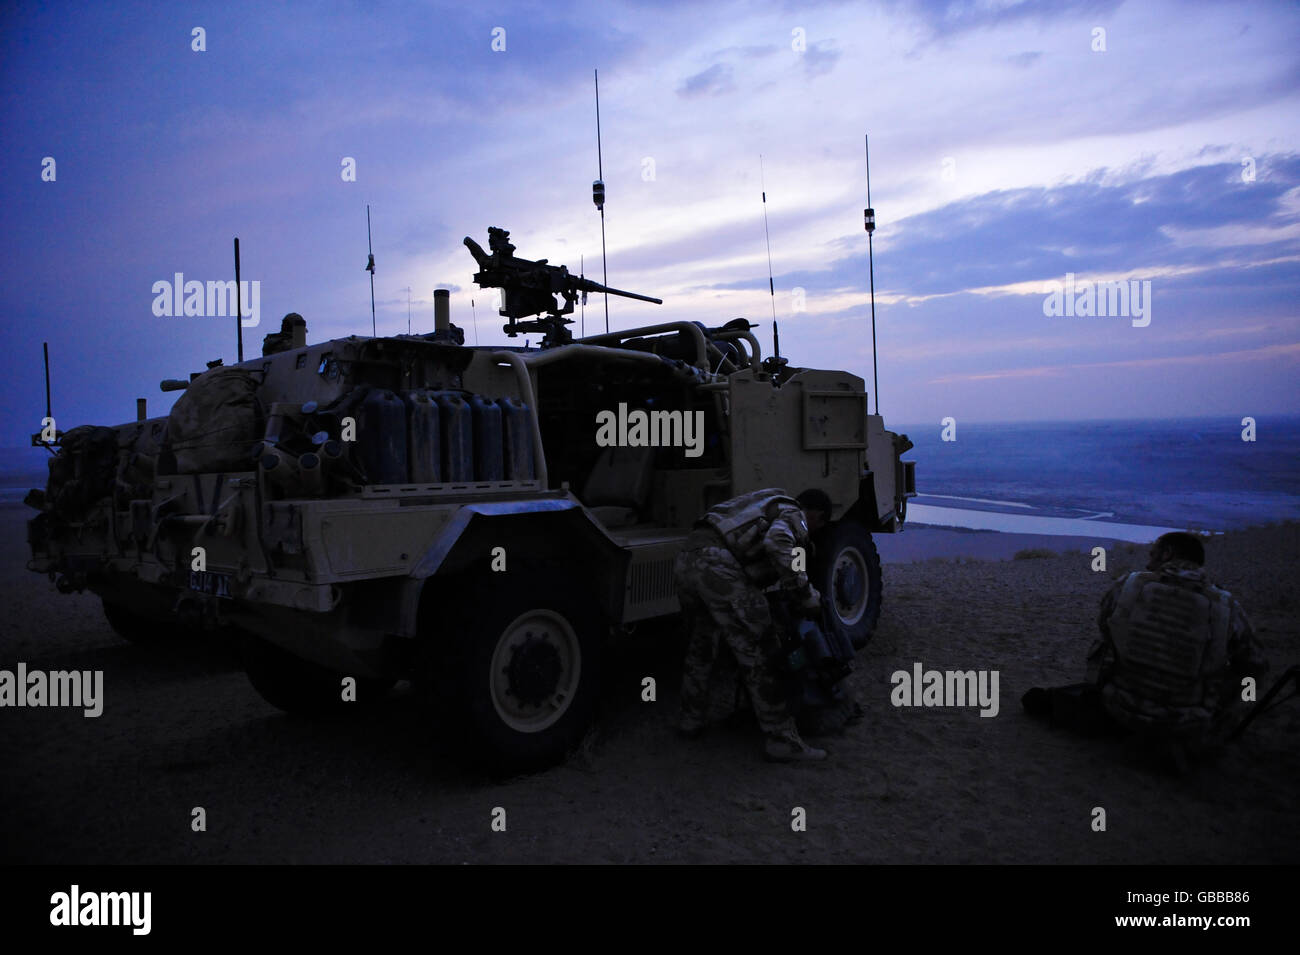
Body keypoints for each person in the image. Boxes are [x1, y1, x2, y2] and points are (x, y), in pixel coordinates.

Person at [1023, 531, 1267, 766]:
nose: (1148, 563)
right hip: (1187, 720)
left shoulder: (1128, 585)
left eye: (1152, 554)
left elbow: (1105, 628)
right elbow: (1255, 663)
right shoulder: (1227, 605)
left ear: (1167, 553)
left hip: (1119, 706)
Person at [675, 487, 831, 762]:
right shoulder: (794, 513)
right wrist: (806, 595)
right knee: (762, 652)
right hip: (717, 564)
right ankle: (782, 740)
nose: (813, 531)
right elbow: (777, 542)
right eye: (818, 525)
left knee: (702, 646)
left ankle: (691, 720)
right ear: (817, 515)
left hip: (687, 559)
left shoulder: (764, 503)